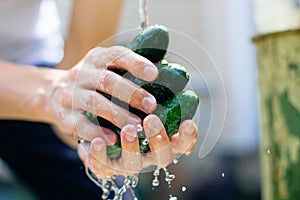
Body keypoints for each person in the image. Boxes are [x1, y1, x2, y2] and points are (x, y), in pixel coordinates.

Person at [0, 0, 198, 199]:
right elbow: (58, 93)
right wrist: (53, 93)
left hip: (34, 66)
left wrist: (97, 131)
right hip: (43, 85)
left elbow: (78, 86)